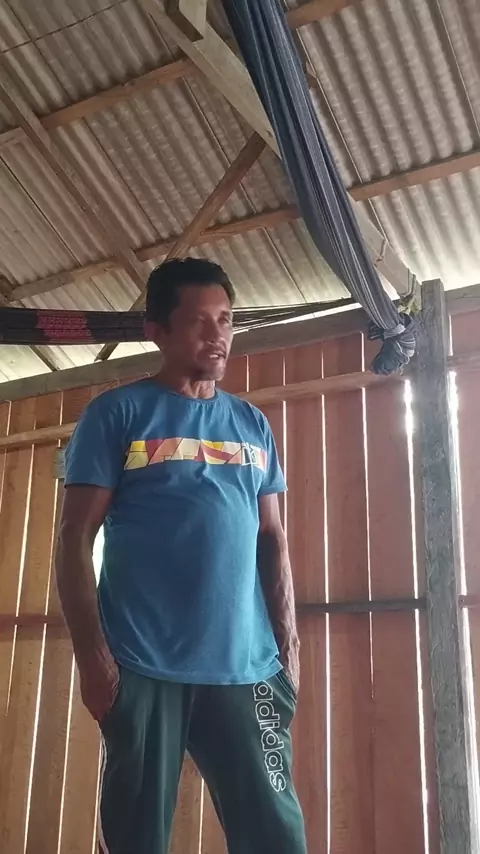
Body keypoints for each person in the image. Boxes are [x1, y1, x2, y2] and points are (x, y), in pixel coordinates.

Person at [56, 257, 306, 854]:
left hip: (248, 667)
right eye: (199, 321)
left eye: (226, 320)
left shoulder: (251, 424)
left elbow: (272, 538)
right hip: (143, 665)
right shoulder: (118, 414)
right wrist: (95, 659)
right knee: (136, 836)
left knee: (277, 835)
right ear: (157, 331)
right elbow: (73, 538)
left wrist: (289, 647)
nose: (218, 335)